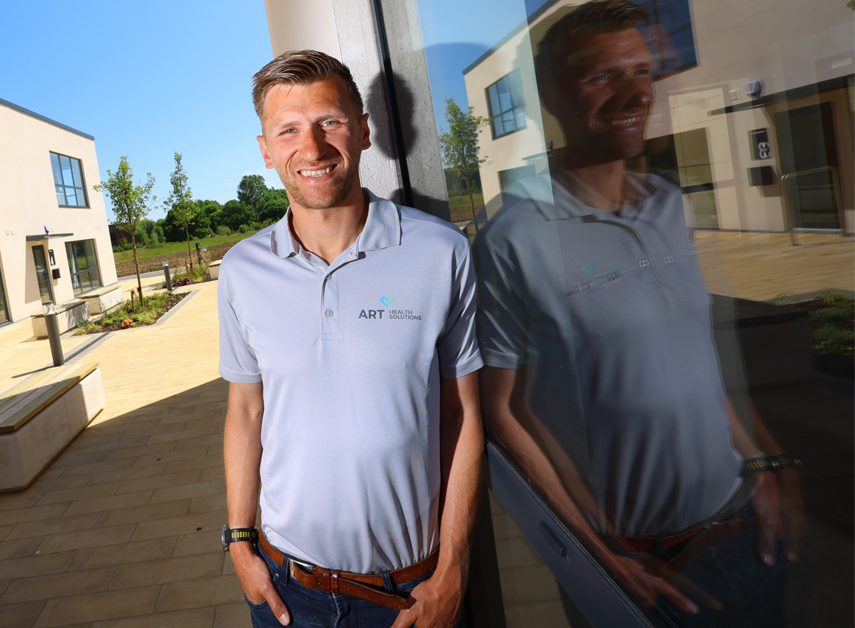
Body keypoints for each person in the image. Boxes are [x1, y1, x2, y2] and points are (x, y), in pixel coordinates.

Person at [473, 1, 802, 626]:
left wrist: (762, 462)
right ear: (552, 96)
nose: (633, 93)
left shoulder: (668, 205)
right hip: (648, 572)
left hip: (745, 532)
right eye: (603, 76)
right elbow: (505, 411)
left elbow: (694, 359)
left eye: (642, 71)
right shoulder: (514, 237)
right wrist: (598, 555)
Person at [218, 50, 484, 628]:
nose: (311, 149)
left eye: (330, 122)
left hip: (412, 591)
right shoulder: (241, 269)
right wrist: (240, 541)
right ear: (266, 151)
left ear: (364, 131)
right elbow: (245, 409)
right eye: (288, 130)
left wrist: (454, 570)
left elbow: (462, 416)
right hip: (288, 591)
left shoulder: (440, 252)